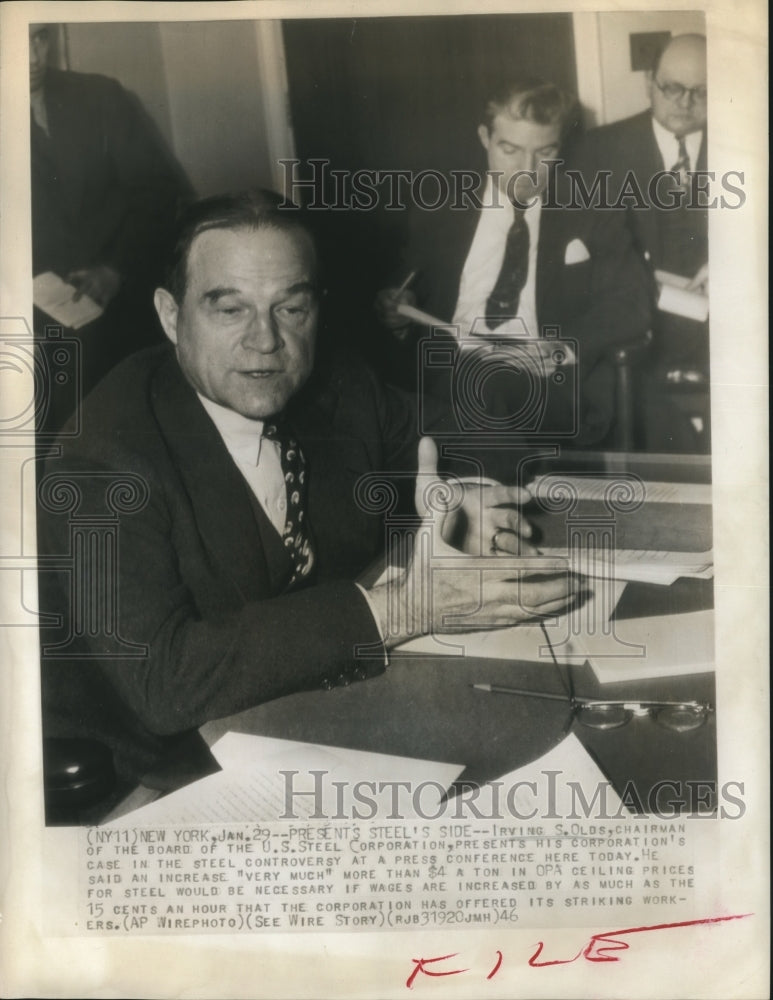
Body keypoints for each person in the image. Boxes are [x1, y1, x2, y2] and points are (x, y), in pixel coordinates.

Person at [38, 191, 576, 790]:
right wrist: (397, 609)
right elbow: (165, 683)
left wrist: (460, 494)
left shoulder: (333, 382)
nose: (266, 341)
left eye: (290, 309)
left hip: (318, 714)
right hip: (164, 772)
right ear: (171, 316)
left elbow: (490, 443)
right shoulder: (103, 460)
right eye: (230, 310)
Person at [376, 77, 652, 448]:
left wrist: (560, 348)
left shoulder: (593, 210)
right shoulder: (440, 212)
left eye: (545, 154)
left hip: (543, 381)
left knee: (482, 385)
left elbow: (630, 303)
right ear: (484, 138)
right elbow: (405, 294)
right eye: (510, 149)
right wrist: (397, 315)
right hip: (445, 367)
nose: (527, 169)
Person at [29, 23, 193, 432]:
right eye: (14, 43)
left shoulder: (100, 96)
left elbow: (157, 192)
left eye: (40, 37)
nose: (34, 57)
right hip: (31, 330)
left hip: (122, 304)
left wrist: (116, 269)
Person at [570, 34, 709, 451]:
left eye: (702, 92)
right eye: (673, 88)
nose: (685, 102)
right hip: (637, 331)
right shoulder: (597, 150)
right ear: (650, 81)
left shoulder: (752, 147)